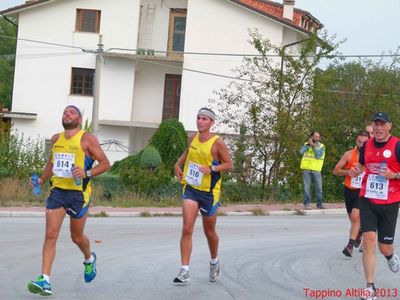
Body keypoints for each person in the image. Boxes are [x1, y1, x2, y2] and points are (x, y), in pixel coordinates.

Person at [27, 105, 110, 296]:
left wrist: (86, 172)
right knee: (50, 234)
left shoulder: (87, 139)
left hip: (78, 194)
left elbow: (106, 164)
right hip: (58, 191)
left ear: (79, 120)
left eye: (72, 112)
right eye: (65, 112)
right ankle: (45, 280)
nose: (67, 114)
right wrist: (41, 179)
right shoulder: (56, 138)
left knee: (76, 237)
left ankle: (89, 259)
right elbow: (52, 162)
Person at [173, 107, 232, 284]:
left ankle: (214, 262)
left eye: (204, 119)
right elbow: (187, 153)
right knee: (187, 228)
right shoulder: (193, 137)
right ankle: (184, 271)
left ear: (211, 122)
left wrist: (212, 168)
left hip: (209, 192)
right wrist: (177, 165)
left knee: (209, 231)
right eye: (198, 118)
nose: (200, 121)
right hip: (191, 188)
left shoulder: (217, 142)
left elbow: (229, 164)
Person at [349, 112, 400, 300]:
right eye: (375, 124)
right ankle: (370, 287)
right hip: (368, 198)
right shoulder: (367, 145)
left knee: (384, 247)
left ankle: (390, 256)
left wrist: (394, 176)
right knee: (369, 239)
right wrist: (356, 170)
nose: (378, 128)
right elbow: (362, 166)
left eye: (382, 124)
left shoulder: (397, 145)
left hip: (390, 201)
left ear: (389, 126)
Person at [333, 131, 370, 257]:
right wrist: (348, 172)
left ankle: (349, 246)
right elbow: (336, 171)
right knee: (353, 219)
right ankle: (359, 234)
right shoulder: (349, 154)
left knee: (355, 217)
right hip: (349, 190)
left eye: (364, 142)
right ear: (356, 141)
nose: (361, 144)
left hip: (363, 191)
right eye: (359, 141)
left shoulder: (371, 155)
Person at [299, 131, 326, 209]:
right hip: (306, 169)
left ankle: (319, 204)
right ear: (311, 137)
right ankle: (307, 204)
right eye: (316, 137)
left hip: (316, 169)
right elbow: (301, 152)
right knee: (306, 188)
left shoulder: (322, 146)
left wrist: (313, 146)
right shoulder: (306, 144)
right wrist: (308, 145)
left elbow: (318, 156)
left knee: (318, 188)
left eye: (318, 137)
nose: (317, 138)